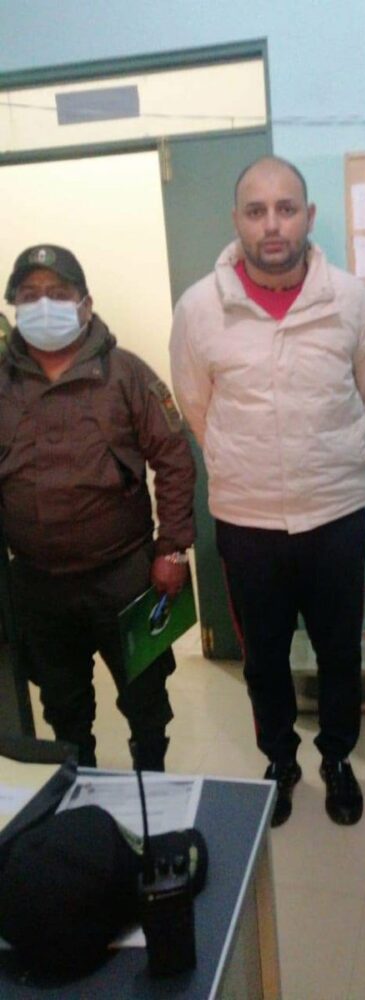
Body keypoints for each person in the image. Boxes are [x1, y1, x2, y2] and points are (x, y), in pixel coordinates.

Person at [170, 156, 365, 826]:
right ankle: (281, 760)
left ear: (308, 216)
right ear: (236, 219)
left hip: (334, 515)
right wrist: (248, 464)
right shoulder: (199, 309)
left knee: (338, 651)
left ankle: (338, 757)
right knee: (262, 658)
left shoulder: (350, 299)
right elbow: (197, 407)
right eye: (256, 210)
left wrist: (321, 457)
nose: (272, 225)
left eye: (286, 208)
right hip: (247, 522)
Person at [1, 244, 196, 770]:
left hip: (125, 575)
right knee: (62, 704)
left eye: (58, 293)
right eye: (29, 296)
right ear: (14, 306)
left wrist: (173, 549)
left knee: (145, 694)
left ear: (85, 305)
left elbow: (174, 460)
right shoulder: (2, 383)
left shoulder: (127, 374)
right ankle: (77, 782)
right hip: (37, 584)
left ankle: (151, 776)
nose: (44, 305)